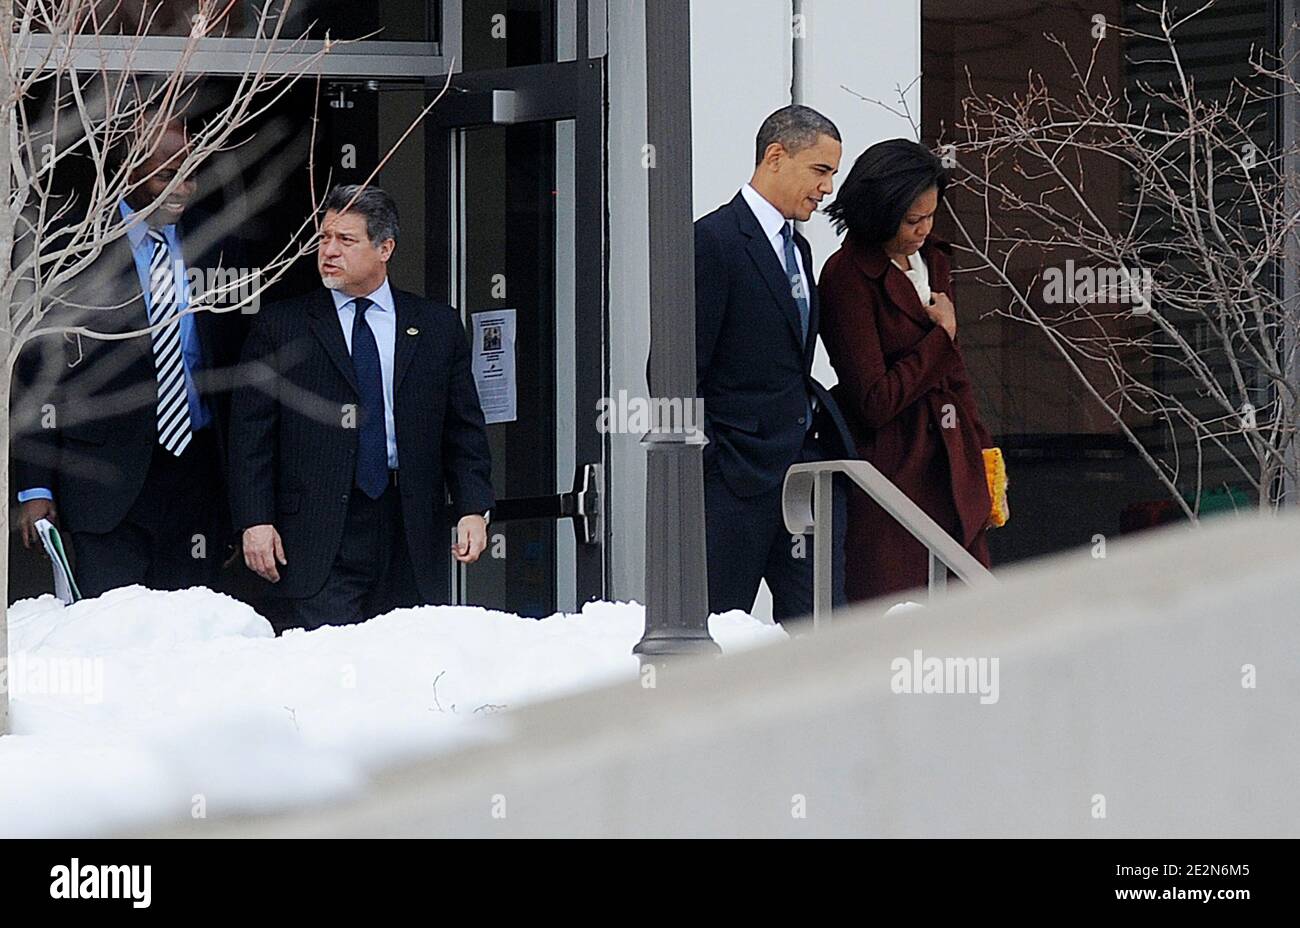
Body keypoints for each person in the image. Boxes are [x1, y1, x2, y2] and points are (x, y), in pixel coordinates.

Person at [227, 184, 494, 632]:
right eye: (324, 238)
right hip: (316, 531)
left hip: (407, 524)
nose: (329, 251)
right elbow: (251, 435)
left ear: (385, 248)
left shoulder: (436, 326)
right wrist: (255, 520)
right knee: (330, 659)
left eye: (346, 240)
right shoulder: (283, 326)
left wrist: (473, 507)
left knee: (406, 655)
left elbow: (462, 429)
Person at [13, 116, 249, 598]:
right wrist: (36, 488)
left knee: (192, 627)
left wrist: (246, 503)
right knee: (113, 627)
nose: (181, 189)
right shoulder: (74, 248)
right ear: (127, 171)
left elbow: (240, 367)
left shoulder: (218, 243)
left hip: (197, 474)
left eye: (190, 175)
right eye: (167, 176)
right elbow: (37, 374)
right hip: (102, 481)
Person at [694, 105, 856, 624]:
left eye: (833, 173)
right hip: (733, 482)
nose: (828, 188)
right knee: (720, 629)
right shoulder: (713, 241)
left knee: (820, 626)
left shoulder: (799, 251)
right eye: (820, 170)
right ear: (776, 157)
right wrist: (714, 462)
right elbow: (675, 370)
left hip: (799, 476)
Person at [819, 139, 994, 601]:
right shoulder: (845, 276)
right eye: (912, 220)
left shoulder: (933, 258)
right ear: (879, 213)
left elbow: (956, 374)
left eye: (931, 216)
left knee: (972, 609)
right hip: (894, 469)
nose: (923, 229)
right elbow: (874, 400)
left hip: (955, 457)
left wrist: (984, 450)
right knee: (899, 605)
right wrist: (942, 336)